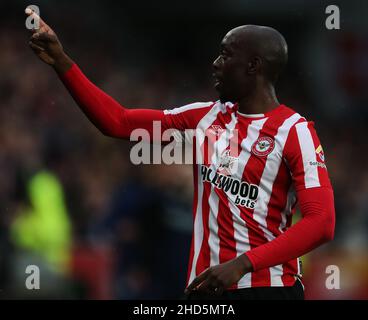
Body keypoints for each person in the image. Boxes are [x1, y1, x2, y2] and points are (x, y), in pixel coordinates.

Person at [26, 9, 335, 300]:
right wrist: (61, 62)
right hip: (205, 288)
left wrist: (242, 264)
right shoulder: (204, 118)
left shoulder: (295, 132)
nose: (215, 63)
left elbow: (321, 222)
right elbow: (117, 121)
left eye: (226, 55)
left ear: (253, 66)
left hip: (269, 289)